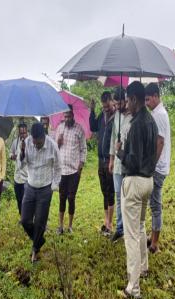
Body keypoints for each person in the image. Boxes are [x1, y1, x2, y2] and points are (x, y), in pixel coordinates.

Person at [116, 81, 158, 299]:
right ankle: (143, 267)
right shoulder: (151, 121)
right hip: (148, 182)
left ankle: (133, 287)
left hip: (133, 182)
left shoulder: (135, 125)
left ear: (133, 99)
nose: (125, 104)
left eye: (127, 99)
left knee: (130, 235)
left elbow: (132, 161)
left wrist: (120, 152)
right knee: (140, 226)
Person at [20, 123, 61, 263]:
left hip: (45, 189)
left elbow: (58, 168)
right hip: (30, 187)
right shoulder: (27, 143)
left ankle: (35, 251)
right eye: (34, 142)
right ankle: (40, 240)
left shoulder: (52, 146)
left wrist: (53, 187)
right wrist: (21, 153)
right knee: (25, 220)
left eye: (38, 142)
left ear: (44, 137)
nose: (35, 145)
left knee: (39, 223)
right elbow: (22, 165)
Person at [145, 83, 171, 253]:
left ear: (155, 96)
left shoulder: (159, 115)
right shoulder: (157, 113)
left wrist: (151, 165)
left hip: (157, 168)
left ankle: (154, 244)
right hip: (159, 166)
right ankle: (152, 236)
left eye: (148, 99)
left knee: (155, 205)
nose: (146, 102)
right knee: (153, 204)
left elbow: (160, 142)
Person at [55, 105, 87, 234]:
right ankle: (61, 226)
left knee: (71, 197)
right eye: (65, 116)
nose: (67, 118)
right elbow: (55, 149)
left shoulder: (79, 129)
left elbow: (83, 149)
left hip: (74, 171)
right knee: (62, 197)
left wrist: (81, 165)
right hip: (62, 170)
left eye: (69, 116)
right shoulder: (59, 128)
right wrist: (58, 141)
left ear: (73, 115)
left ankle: (70, 226)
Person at [89, 91, 115, 236]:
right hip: (100, 160)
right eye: (103, 106)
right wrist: (92, 110)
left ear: (112, 101)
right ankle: (106, 221)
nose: (105, 108)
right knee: (104, 191)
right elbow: (93, 127)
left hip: (110, 160)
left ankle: (110, 223)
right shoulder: (102, 116)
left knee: (110, 191)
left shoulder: (117, 117)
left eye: (107, 106)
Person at [109, 86, 132, 242]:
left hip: (129, 163)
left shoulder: (133, 116)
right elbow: (112, 139)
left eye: (118, 104)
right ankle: (119, 228)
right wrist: (111, 159)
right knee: (118, 196)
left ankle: (129, 228)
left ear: (125, 100)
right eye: (115, 104)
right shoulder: (116, 116)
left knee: (128, 197)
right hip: (117, 163)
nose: (116, 107)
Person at [10, 123, 29, 219]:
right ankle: (22, 217)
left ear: (27, 132)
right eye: (21, 133)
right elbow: (11, 153)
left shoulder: (30, 143)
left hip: (27, 177)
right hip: (17, 176)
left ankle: (27, 217)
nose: (23, 135)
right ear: (18, 132)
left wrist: (24, 150)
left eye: (24, 133)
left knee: (26, 199)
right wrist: (12, 156)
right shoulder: (15, 142)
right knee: (19, 198)